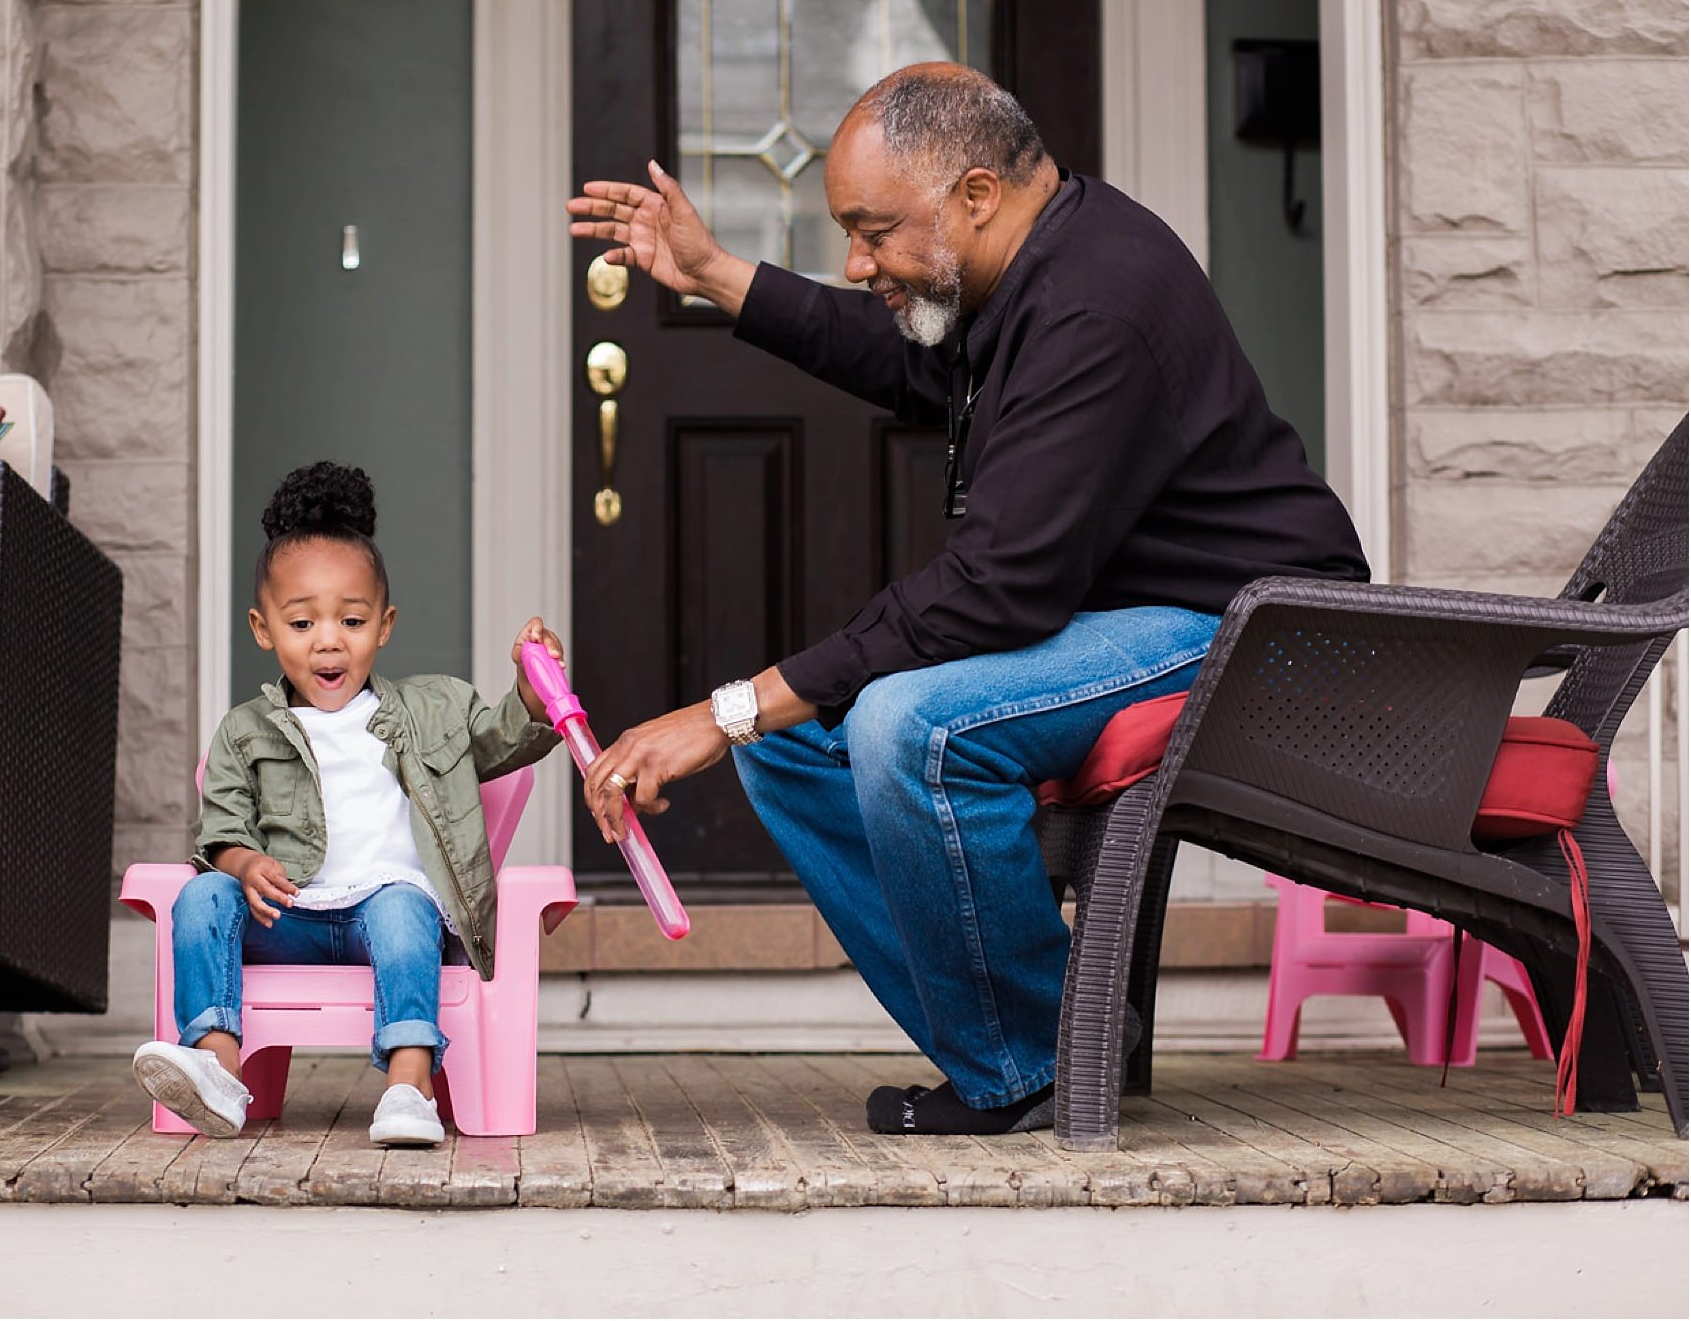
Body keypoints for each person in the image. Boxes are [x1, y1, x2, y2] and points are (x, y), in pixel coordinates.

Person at [565, 63, 1368, 1135]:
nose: (857, 264)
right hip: (1145, 621)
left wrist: (722, 709)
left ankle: (1033, 1058)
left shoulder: (1097, 301)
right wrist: (712, 274)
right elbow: (910, 366)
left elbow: (997, 590)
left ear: (976, 195)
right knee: (796, 743)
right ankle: (1040, 1031)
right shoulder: (1027, 267)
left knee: (904, 721)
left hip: (1251, 628)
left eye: (873, 231)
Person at [131, 461, 564, 1145]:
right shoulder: (245, 730)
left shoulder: (435, 708)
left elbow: (505, 741)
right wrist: (244, 866)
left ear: (383, 625)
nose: (329, 639)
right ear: (263, 627)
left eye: (352, 619)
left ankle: (409, 1084)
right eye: (302, 621)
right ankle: (215, 1068)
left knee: (401, 903)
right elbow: (220, 828)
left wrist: (533, 689)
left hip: (390, 919)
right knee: (200, 896)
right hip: (287, 918)